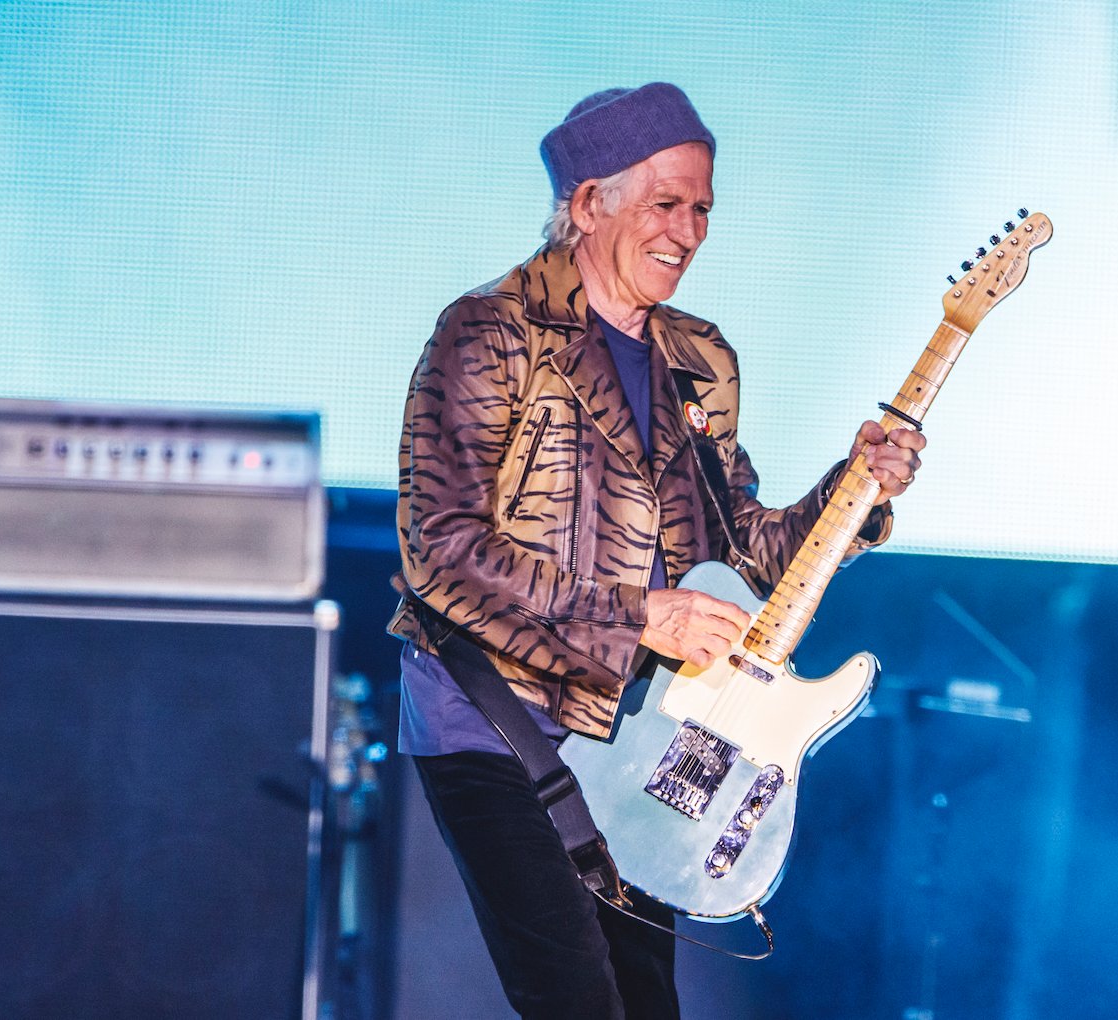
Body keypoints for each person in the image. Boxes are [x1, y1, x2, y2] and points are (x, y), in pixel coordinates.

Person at [388, 82, 925, 1019]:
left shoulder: (699, 359)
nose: (691, 230)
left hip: (636, 731)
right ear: (590, 204)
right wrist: (642, 615)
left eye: (704, 207)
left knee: (645, 1005)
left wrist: (856, 492)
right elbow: (441, 550)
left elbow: (747, 550)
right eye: (666, 204)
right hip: (496, 720)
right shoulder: (490, 331)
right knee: (576, 998)